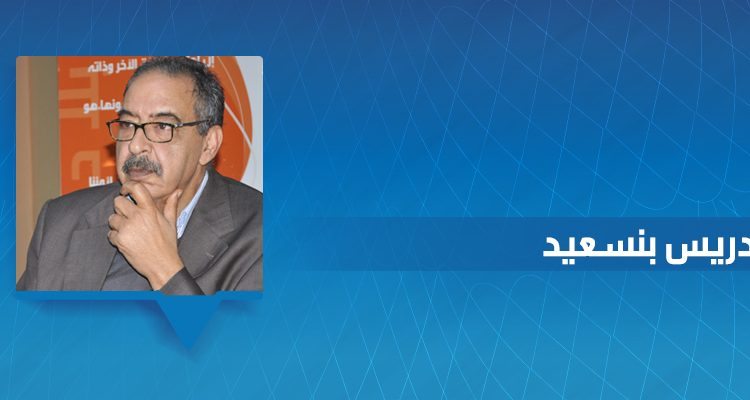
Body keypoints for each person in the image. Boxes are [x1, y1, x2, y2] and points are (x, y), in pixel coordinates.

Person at [17, 56, 262, 295]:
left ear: (208, 144)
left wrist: (163, 269)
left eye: (162, 126)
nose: (135, 145)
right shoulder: (59, 222)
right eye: (127, 124)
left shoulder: (261, 232)